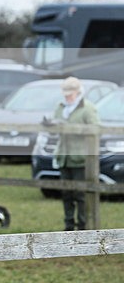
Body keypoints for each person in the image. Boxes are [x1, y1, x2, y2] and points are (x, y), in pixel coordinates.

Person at [52, 76, 99, 231]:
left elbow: (96, 129)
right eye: (65, 94)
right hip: (64, 156)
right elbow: (55, 127)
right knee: (66, 193)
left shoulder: (88, 108)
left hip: (80, 158)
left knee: (80, 194)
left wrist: (74, 129)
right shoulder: (60, 107)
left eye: (70, 94)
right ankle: (69, 224)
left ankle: (83, 225)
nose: (67, 97)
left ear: (78, 92)